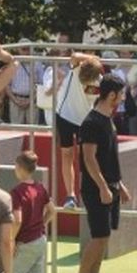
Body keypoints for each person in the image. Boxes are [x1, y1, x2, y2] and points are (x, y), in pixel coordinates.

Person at [71, 74, 133, 273]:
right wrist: (103, 188)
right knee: (98, 236)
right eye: (122, 94)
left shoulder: (108, 120)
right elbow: (89, 159)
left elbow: (108, 158)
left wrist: (119, 185)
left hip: (110, 187)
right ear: (112, 95)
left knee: (104, 236)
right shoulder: (91, 122)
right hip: (96, 190)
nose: (124, 98)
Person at [54, 53, 105, 208]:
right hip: (69, 117)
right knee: (72, 156)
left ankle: (82, 193)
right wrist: (94, 59)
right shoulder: (85, 72)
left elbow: (75, 56)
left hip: (79, 119)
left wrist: (93, 59)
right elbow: (76, 56)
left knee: (82, 157)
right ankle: (72, 195)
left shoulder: (93, 77)